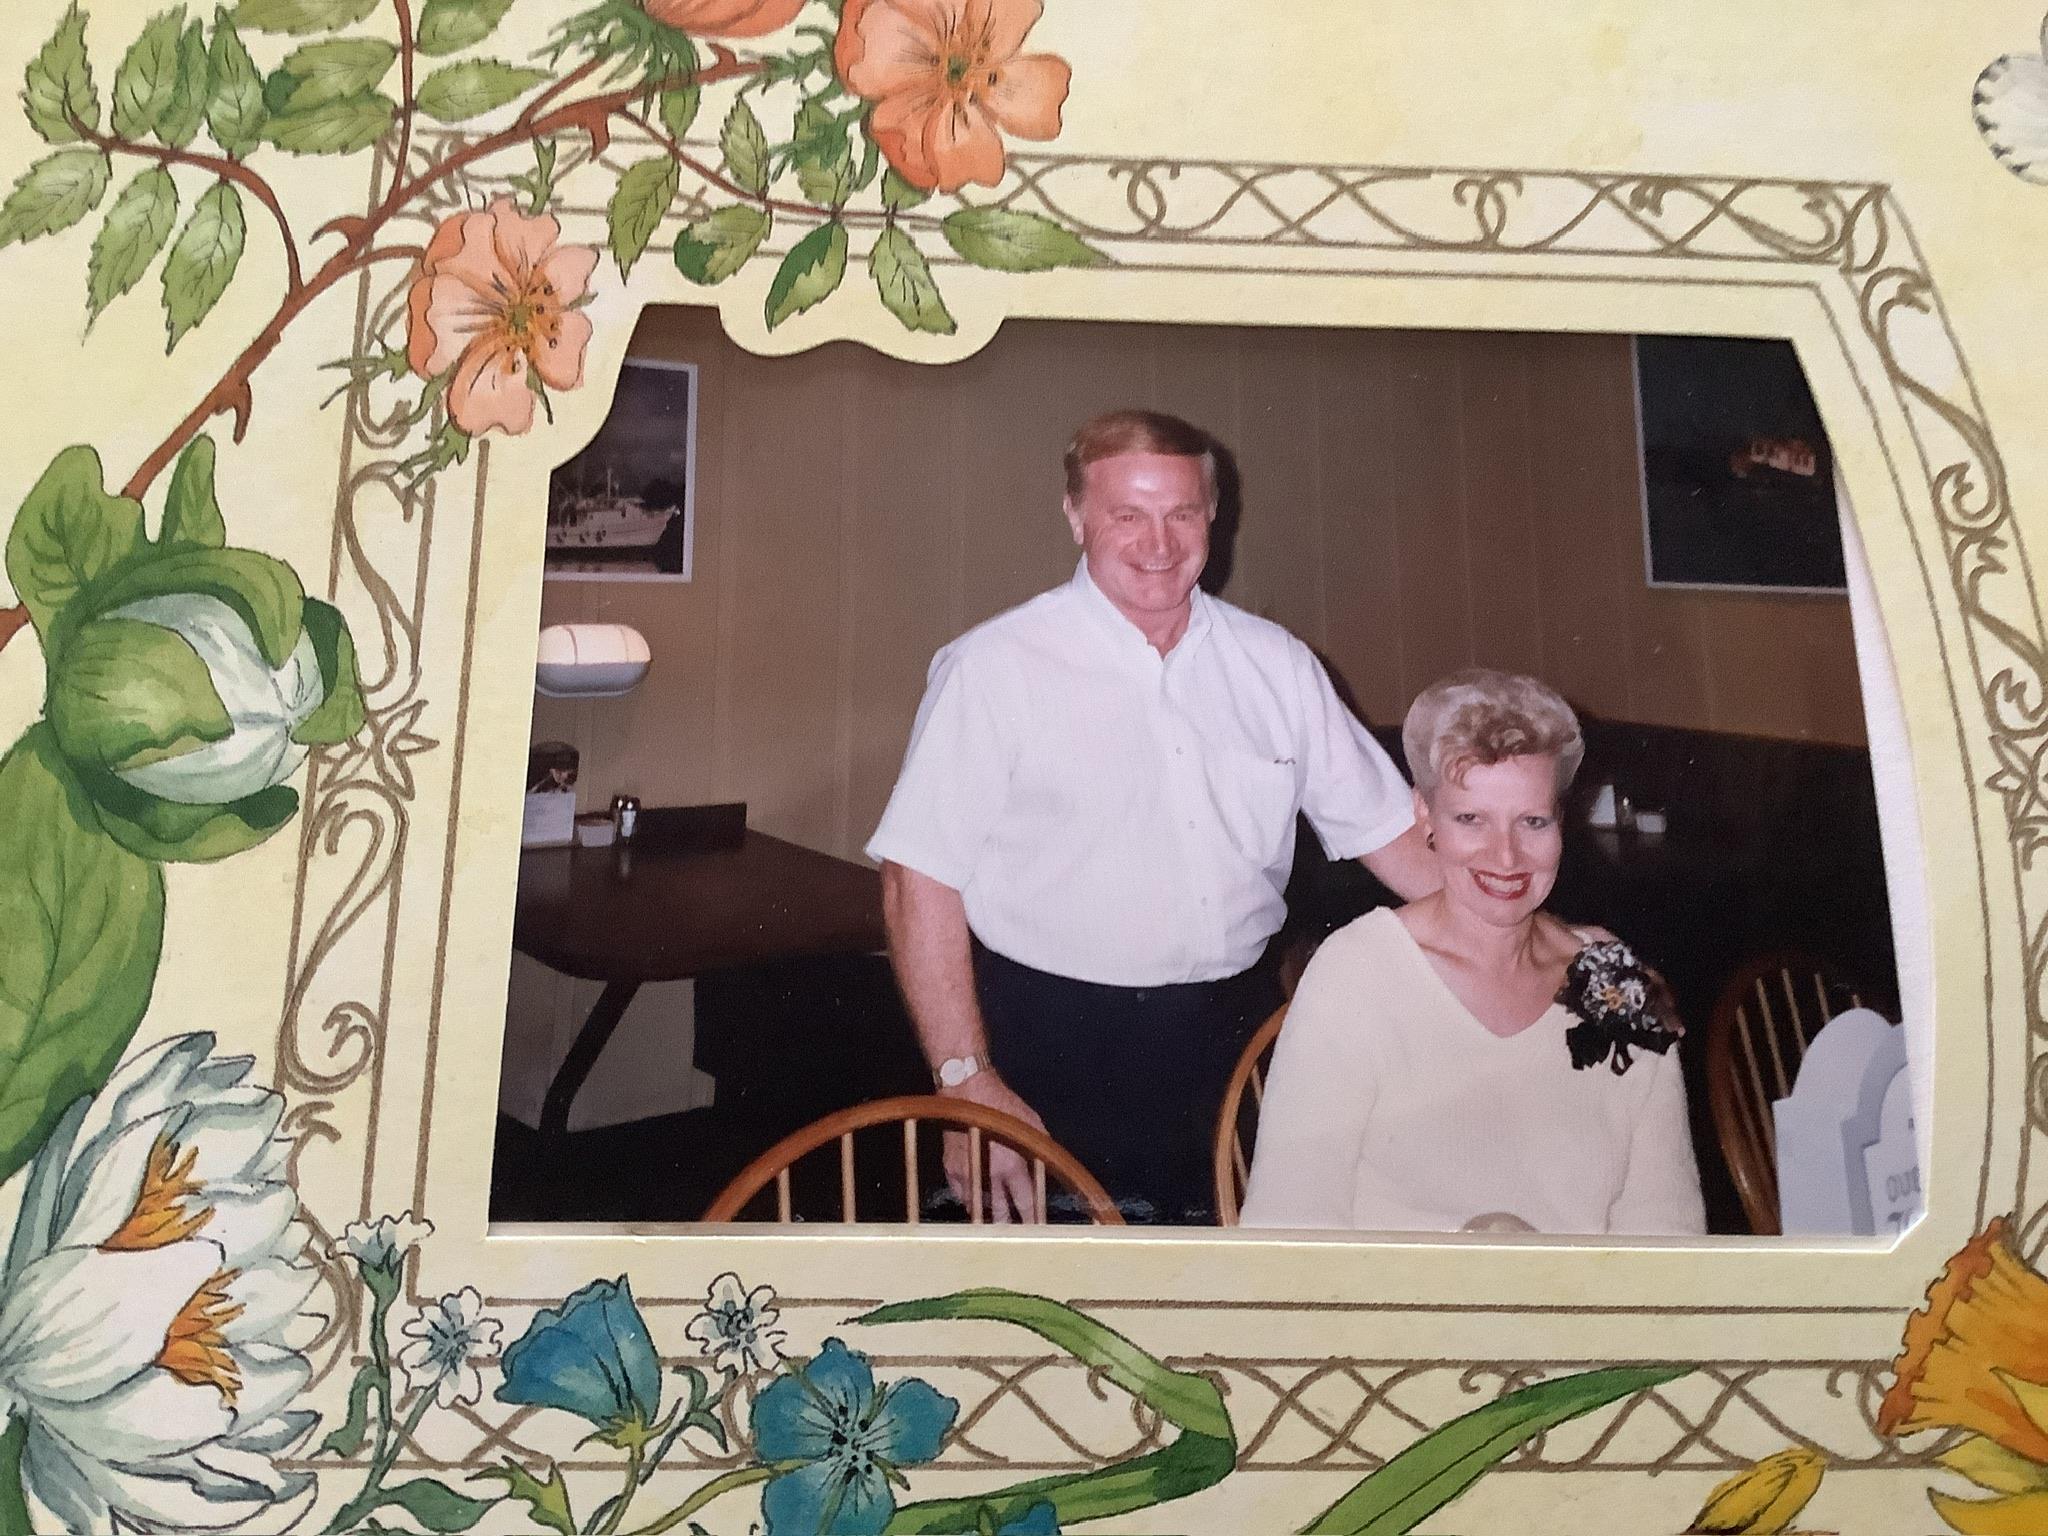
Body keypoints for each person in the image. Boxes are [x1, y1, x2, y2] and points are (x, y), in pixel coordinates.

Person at [865, 409, 1440, 1226]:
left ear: (1214, 516)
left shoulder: (1277, 666)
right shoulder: (993, 668)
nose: (1158, 542)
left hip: (1237, 1042)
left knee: (1233, 1309)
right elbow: (914, 879)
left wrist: (1547, 949)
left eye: (1181, 513)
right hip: (1046, 1050)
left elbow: (1398, 843)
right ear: (1076, 516)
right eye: (1126, 514)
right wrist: (965, 1079)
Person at [1240, 669, 1707, 1235]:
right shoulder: (1357, 977)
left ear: (1564, 821)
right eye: (1471, 820)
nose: (1506, 857)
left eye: (1532, 821)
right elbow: (1288, 1235)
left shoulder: (1612, 983)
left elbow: (1667, 1231)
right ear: (1424, 816)